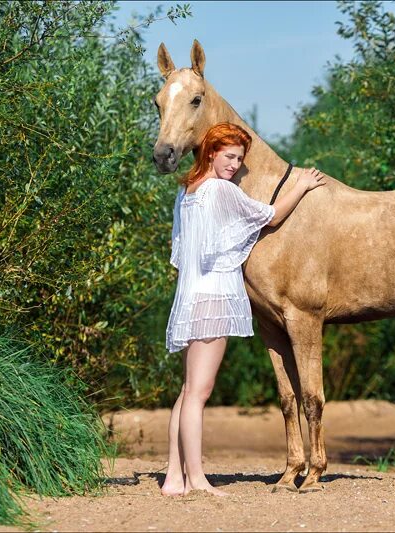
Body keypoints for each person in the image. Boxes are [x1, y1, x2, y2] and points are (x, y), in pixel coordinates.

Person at [160, 122, 326, 497]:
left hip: (189, 296)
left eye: (239, 158)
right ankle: (198, 479)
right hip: (214, 297)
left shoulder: (186, 193)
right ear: (211, 153)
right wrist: (300, 185)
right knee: (200, 393)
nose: (235, 165)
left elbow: (180, 252)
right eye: (230, 156)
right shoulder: (220, 190)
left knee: (187, 391)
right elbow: (269, 216)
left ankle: (174, 476)